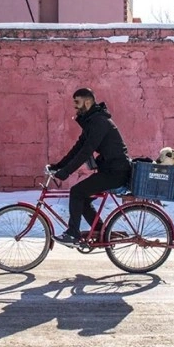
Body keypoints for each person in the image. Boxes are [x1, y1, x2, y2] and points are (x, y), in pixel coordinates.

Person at [48, 88, 132, 247]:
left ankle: (72, 233)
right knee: (83, 197)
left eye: (77, 102)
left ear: (87, 102)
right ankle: (101, 231)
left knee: (77, 191)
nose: (75, 107)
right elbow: (78, 148)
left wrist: (65, 172)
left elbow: (87, 150)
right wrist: (58, 166)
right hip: (110, 170)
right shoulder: (92, 121)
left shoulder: (99, 122)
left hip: (116, 172)